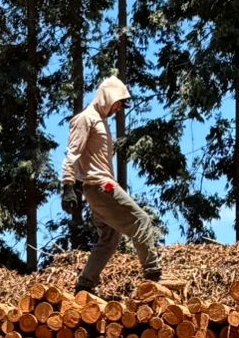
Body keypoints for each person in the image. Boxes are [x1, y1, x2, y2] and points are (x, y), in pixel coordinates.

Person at [59, 77, 163, 295]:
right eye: (118, 102)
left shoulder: (101, 121)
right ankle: (154, 277)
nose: (118, 108)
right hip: (101, 187)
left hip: (97, 187)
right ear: (108, 97)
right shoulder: (85, 118)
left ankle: (85, 285)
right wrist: (69, 185)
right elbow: (72, 154)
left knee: (109, 239)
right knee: (141, 221)